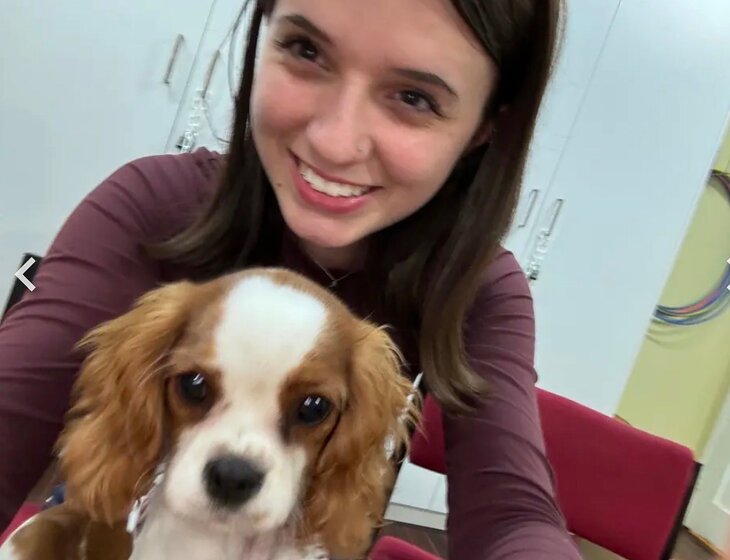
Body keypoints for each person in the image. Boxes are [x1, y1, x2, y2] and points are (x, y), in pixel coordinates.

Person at [0, 0, 581, 557]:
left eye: (414, 97)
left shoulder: (477, 289)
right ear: (262, 33)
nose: (334, 141)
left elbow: (511, 514)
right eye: (306, 50)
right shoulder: (155, 206)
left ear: (485, 128)